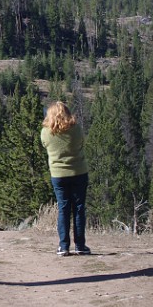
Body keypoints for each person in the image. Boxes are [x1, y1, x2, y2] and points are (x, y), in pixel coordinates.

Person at [40, 101, 91, 256]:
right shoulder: (76, 129)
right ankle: (80, 245)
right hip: (79, 172)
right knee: (79, 208)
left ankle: (63, 246)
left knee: (63, 209)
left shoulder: (46, 132)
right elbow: (82, 143)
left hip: (58, 175)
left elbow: (45, 145)